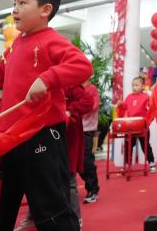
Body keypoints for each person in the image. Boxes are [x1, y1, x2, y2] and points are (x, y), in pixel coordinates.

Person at [0, 0, 93, 231]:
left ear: (45, 10)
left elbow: (81, 65)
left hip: (41, 135)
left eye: (22, 2)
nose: (15, 9)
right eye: (14, 3)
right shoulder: (16, 45)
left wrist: (47, 78)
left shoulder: (51, 39)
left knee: (51, 208)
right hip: (9, 137)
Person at [65, 83, 93, 226]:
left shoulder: (72, 86)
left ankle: (76, 219)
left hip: (69, 139)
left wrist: (70, 112)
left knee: (69, 180)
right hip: (52, 138)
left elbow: (88, 101)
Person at [117, 76, 156, 172]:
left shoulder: (146, 97)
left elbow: (150, 110)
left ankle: (151, 162)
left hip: (142, 125)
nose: (134, 87)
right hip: (130, 125)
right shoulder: (129, 97)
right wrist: (120, 104)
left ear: (142, 86)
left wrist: (146, 122)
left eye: (136, 85)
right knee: (128, 144)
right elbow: (124, 107)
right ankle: (127, 164)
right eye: (133, 85)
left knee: (145, 145)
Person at [80, 80, 100, 203]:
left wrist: (75, 110)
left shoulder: (92, 89)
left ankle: (93, 189)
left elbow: (93, 106)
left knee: (87, 160)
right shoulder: (72, 87)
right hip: (73, 128)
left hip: (87, 129)